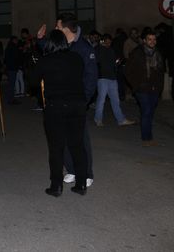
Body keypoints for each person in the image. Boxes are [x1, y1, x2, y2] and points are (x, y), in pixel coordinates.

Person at [38, 13, 97, 187]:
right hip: (60, 101)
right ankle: (71, 169)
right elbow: (49, 53)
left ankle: (86, 173)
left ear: (65, 29)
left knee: (80, 139)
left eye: (57, 27)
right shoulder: (63, 45)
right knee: (61, 138)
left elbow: (91, 78)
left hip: (76, 101)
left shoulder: (84, 49)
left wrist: (83, 101)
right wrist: (40, 39)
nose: (54, 29)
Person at [31, 30, 88, 197]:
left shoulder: (46, 60)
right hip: (78, 104)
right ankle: (81, 183)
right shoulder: (76, 58)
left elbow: (33, 81)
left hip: (56, 106)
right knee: (77, 145)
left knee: (56, 147)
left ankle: (56, 186)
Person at [125, 29, 165, 146]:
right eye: (149, 39)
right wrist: (136, 85)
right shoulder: (137, 53)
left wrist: (160, 87)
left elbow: (161, 71)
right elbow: (127, 71)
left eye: (154, 39)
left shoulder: (158, 53)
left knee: (149, 112)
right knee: (147, 111)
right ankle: (146, 138)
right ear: (144, 41)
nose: (152, 41)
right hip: (142, 89)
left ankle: (147, 134)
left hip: (155, 89)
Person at [94, 34, 135, 127]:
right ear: (103, 41)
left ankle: (121, 119)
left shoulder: (111, 50)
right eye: (106, 42)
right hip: (102, 78)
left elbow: (113, 64)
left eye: (110, 42)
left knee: (115, 100)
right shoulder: (98, 49)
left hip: (112, 78)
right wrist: (100, 45)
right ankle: (98, 119)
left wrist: (117, 63)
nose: (108, 44)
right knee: (101, 100)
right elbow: (96, 61)